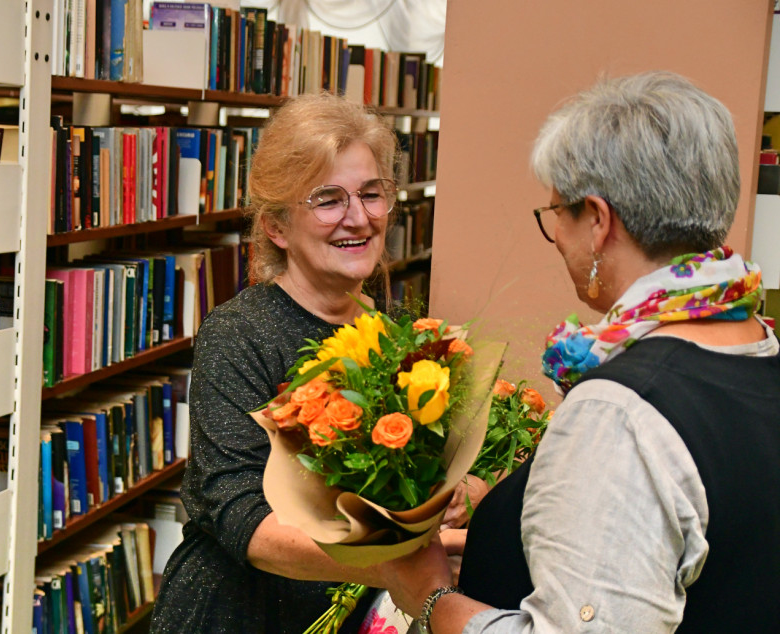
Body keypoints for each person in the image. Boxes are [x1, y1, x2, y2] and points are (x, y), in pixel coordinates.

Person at [382, 72, 780, 632]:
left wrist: (427, 593)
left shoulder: (619, 411)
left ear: (596, 220)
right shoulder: (757, 344)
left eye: (555, 216)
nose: (557, 240)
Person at [151, 93, 407, 633]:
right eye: (328, 199)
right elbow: (245, 522)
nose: (357, 218)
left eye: (370, 193)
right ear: (276, 227)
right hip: (238, 616)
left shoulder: (394, 330)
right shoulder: (238, 334)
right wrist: (396, 564)